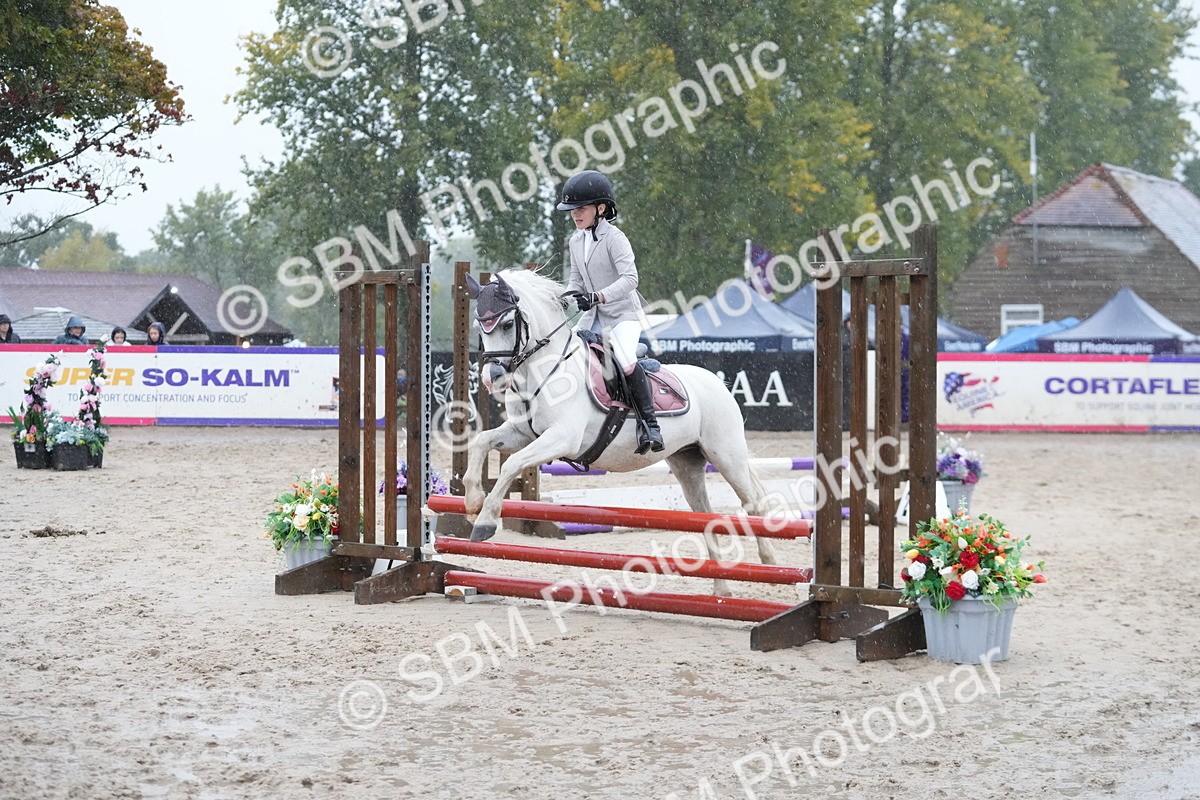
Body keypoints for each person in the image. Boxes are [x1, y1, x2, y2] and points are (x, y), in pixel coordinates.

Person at [558, 169, 663, 454]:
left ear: (600, 208)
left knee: (626, 357)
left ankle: (650, 424)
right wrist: (566, 297)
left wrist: (598, 296)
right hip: (593, 318)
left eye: (580, 209)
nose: (575, 216)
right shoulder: (575, 240)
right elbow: (576, 280)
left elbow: (631, 279)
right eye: (571, 211)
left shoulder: (615, 238)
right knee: (570, 355)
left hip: (623, 316)